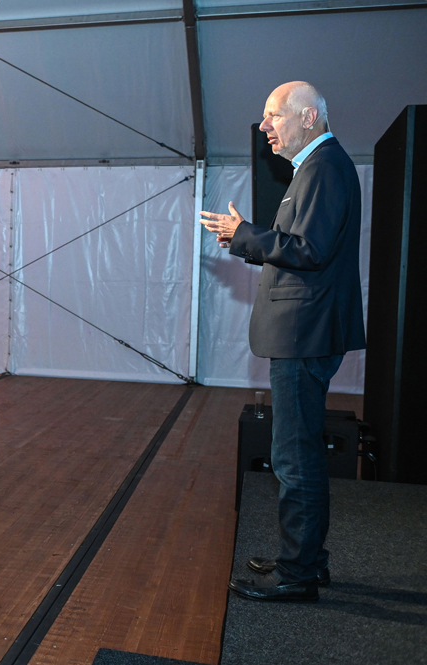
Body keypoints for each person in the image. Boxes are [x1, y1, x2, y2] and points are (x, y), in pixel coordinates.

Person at [200, 81, 365, 603]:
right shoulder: (316, 167)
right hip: (305, 329)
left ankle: (297, 573)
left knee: (294, 458)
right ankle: (306, 560)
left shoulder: (324, 167)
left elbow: (309, 249)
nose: (265, 127)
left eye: (274, 116)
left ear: (308, 118)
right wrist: (244, 238)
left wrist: (245, 234)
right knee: (299, 453)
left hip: (304, 331)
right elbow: (303, 247)